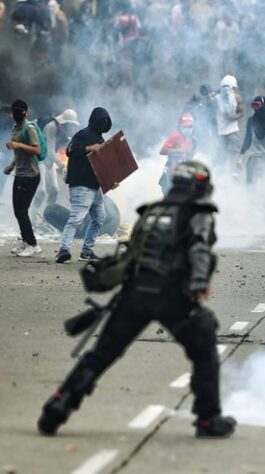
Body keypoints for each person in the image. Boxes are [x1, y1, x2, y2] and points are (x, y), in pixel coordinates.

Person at [38, 161, 237, 437]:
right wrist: (199, 284)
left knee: (101, 354)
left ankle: (58, 405)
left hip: (134, 293)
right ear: (200, 186)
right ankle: (207, 419)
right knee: (204, 349)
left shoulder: (151, 212)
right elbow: (200, 250)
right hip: (171, 297)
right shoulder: (198, 212)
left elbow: (133, 253)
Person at [54, 107, 111, 264]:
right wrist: (89, 148)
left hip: (95, 185)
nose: (104, 123)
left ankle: (86, 252)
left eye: (106, 120)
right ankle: (63, 250)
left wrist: (111, 180)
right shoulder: (82, 134)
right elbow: (70, 150)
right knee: (76, 219)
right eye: (102, 120)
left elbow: (103, 165)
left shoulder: (101, 140)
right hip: (81, 184)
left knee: (99, 218)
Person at [4, 99, 43, 257]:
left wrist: (18, 145)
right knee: (17, 210)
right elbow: (19, 153)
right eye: (15, 111)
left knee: (21, 210)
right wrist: (12, 165)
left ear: (26, 112)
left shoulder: (29, 128)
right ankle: (26, 241)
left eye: (20, 111)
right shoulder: (15, 128)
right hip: (20, 173)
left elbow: (37, 150)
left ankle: (33, 244)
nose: (17, 114)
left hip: (30, 175)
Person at [40, 108, 80, 206]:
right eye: (69, 125)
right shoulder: (51, 127)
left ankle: (48, 213)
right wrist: (61, 166)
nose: (70, 127)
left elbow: (70, 145)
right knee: (41, 191)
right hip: (39, 160)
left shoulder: (64, 130)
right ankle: (33, 216)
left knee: (54, 189)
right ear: (63, 123)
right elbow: (50, 151)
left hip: (49, 162)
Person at [240, 96, 265, 184]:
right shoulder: (251, 120)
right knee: (250, 181)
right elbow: (247, 139)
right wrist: (241, 154)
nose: (255, 108)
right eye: (253, 105)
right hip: (254, 156)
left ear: (264, 105)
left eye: (257, 105)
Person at [159, 113, 197, 195]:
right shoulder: (175, 136)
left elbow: (190, 157)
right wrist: (176, 151)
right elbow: (162, 151)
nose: (188, 129)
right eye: (185, 126)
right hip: (171, 171)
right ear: (180, 126)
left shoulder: (193, 140)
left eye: (190, 127)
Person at [216, 75, 244, 170]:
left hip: (232, 130)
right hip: (220, 131)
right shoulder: (217, 98)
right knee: (221, 154)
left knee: (233, 153)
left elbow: (241, 112)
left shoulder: (237, 98)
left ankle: (234, 172)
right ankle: (221, 173)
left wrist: (233, 117)